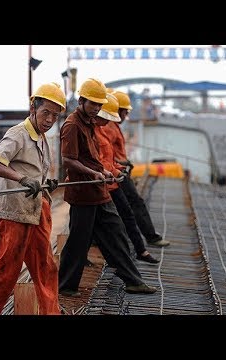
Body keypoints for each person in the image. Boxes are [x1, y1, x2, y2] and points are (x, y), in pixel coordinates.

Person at [0, 82, 64, 315]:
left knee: (46, 266)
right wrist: (21, 179)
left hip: (36, 209)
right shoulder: (18, 134)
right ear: (33, 108)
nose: (50, 120)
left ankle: (52, 312)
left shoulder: (41, 137)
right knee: (7, 270)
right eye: (46, 113)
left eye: (55, 115)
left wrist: (45, 184)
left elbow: (35, 172)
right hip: (15, 212)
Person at [58, 78, 157, 297]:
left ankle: (133, 281)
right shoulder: (73, 125)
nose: (96, 108)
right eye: (93, 103)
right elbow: (68, 160)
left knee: (116, 234)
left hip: (99, 190)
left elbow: (95, 158)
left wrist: (106, 171)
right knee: (78, 242)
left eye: (99, 105)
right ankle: (65, 286)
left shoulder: (90, 123)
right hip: (83, 192)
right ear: (82, 100)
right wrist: (94, 173)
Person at [94, 93, 159, 264]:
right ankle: (135, 254)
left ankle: (139, 251)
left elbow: (108, 157)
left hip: (114, 178)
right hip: (107, 182)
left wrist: (119, 167)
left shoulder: (106, 127)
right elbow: (100, 160)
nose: (125, 116)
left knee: (122, 216)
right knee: (119, 219)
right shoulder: (104, 128)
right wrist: (117, 169)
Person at [107, 90, 170, 247]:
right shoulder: (109, 127)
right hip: (116, 173)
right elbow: (105, 155)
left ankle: (137, 242)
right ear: (117, 110)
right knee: (135, 204)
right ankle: (149, 238)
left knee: (125, 208)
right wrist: (123, 164)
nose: (125, 116)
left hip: (118, 171)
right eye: (125, 112)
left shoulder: (113, 126)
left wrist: (124, 162)